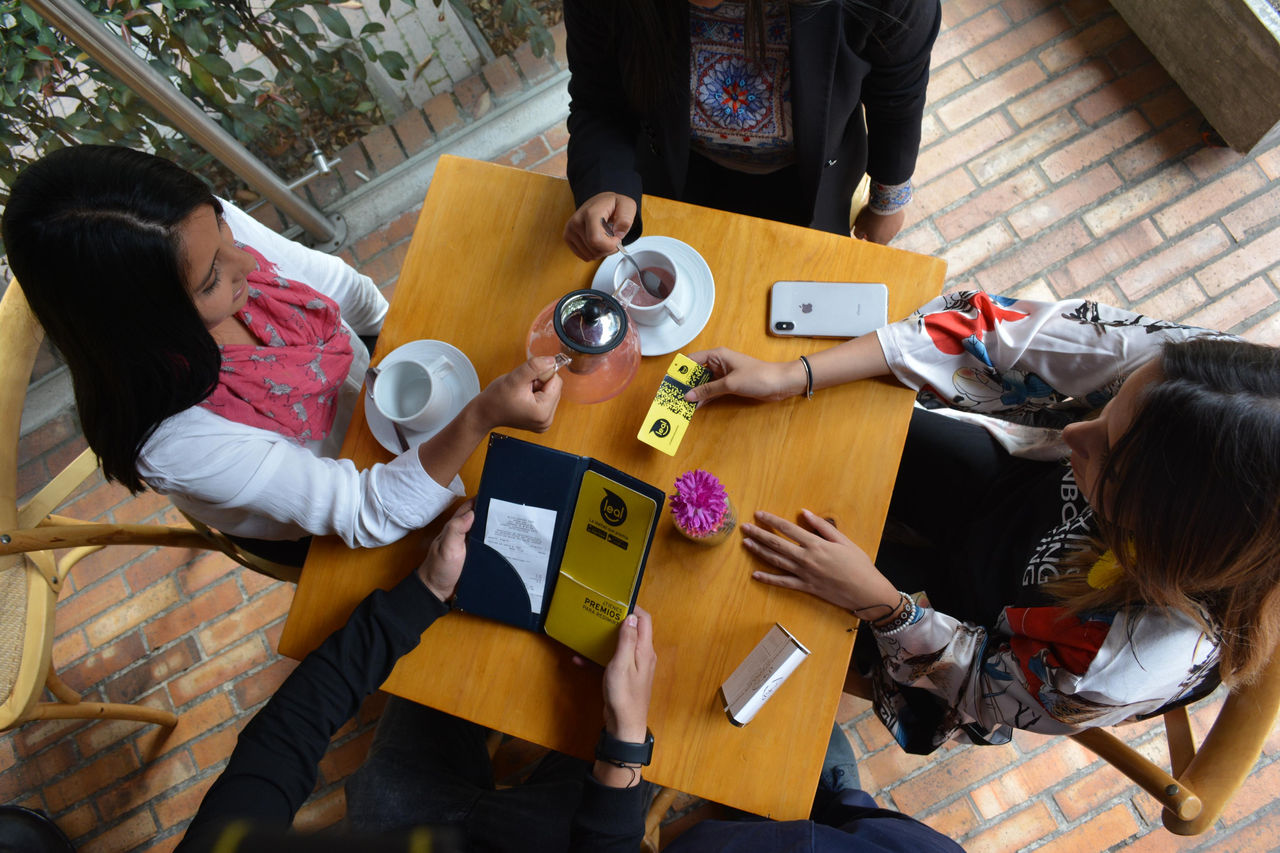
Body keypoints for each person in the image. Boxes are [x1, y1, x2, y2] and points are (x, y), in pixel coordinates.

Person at [173, 501, 963, 853]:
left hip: (413, 815)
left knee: (461, 673)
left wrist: (420, 595)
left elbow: (288, 730)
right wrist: (622, 745)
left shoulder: (225, 841)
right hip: (557, 836)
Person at [684, 291, 1280, 754]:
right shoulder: (1203, 384)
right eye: (1109, 406)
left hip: (978, 627)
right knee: (838, 427)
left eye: (1106, 455)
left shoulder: (1130, 658)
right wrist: (794, 374)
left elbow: (978, 688)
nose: (1073, 430)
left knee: (746, 596)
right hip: (1009, 493)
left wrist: (881, 604)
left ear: (1163, 535)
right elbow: (992, 329)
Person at [1, 145, 562, 562]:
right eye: (210, 281)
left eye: (225, 229)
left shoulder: (187, 233)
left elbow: (343, 288)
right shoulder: (176, 440)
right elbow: (368, 510)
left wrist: (395, 340)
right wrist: (482, 415)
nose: (247, 264)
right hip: (328, 515)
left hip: (370, 425)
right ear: (146, 325)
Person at [561, 0, 941, 263]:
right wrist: (603, 182)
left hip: (814, 181)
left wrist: (887, 199)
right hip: (676, 173)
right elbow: (598, 96)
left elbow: (897, 98)